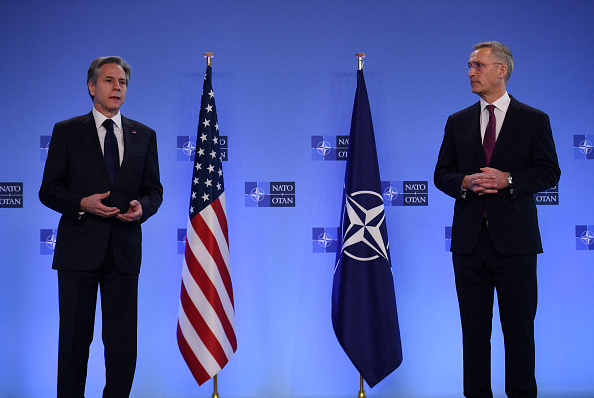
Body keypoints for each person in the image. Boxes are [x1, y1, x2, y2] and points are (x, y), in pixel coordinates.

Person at [434, 42, 560, 398]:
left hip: (515, 245)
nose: (471, 72)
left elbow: (549, 172)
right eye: (469, 67)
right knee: (473, 333)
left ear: (501, 70)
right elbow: (442, 173)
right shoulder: (457, 121)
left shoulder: (534, 119)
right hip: (469, 245)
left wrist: (509, 179)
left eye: (478, 65)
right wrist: (464, 181)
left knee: (519, 332)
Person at [39, 56, 163, 398]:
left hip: (123, 252)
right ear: (92, 86)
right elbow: (48, 190)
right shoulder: (67, 131)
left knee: (123, 343)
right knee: (75, 341)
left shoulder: (144, 135)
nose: (117, 87)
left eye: (122, 82)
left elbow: (154, 190)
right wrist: (82, 203)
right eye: (109, 81)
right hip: (78, 250)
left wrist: (143, 208)